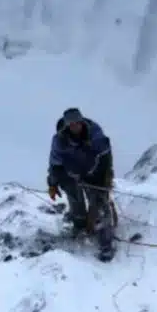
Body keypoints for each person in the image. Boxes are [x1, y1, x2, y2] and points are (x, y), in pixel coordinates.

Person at [47, 107, 116, 261]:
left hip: (94, 172)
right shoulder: (59, 140)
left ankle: (106, 240)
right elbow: (54, 164)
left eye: (77, 123)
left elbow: (106, 156)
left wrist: (107, 176)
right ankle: (80, 225)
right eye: (71, 124)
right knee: (75, 199)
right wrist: (52, 184)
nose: (75, 126)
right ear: (67, 126)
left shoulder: (95, 134)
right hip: (71, 174)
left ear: (82, 122)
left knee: (99, 202)